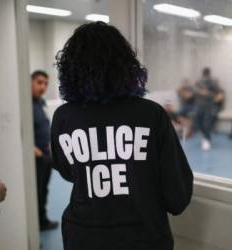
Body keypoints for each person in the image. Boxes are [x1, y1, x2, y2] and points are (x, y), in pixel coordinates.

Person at [51, 21, 193, 250]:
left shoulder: (64, 117)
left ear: (70, 69)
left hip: (83, 238)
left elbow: (69, 172)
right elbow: (177, 196)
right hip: (144, 237)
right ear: (125, 64)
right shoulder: (151, 114)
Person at [32, 70, 58, 231]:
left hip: (45, 156)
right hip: (37, 158)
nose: (43, 87)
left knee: (43, 191)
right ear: (31, 81)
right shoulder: (25, 103)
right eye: (39, 82)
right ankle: (35, 226)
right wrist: (35, 151)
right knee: (37, 193)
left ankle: (42, 221)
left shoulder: (39, 103)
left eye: (46, 83)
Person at [194, 67, 222, 151]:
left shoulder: (212, 82)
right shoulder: (198, 81)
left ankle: (207, 140)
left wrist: (211, 95)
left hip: (209, 106)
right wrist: (200, 92)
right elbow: (195, 90)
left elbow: (219, 94)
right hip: (199, 105)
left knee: (206, 124)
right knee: (197, 122)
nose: (206, 76)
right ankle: (205, 136)